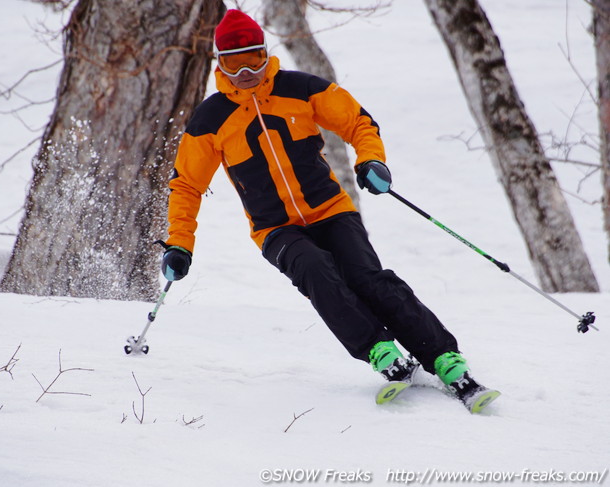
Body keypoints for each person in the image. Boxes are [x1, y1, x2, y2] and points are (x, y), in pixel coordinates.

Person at [160, 9, 498, 412]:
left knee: (367, 278)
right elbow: (187, 185)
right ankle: (381, 351)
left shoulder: (301, 88)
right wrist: (179, 244)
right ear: (220, 65)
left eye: (253, 59)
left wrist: (372, 161)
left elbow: (358, 122)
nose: (245, 72)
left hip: (330, 209)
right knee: (315, 270)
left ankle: (444, 358)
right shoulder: (209, 120)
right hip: (274, 229)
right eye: (234, 63)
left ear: (266, 54)